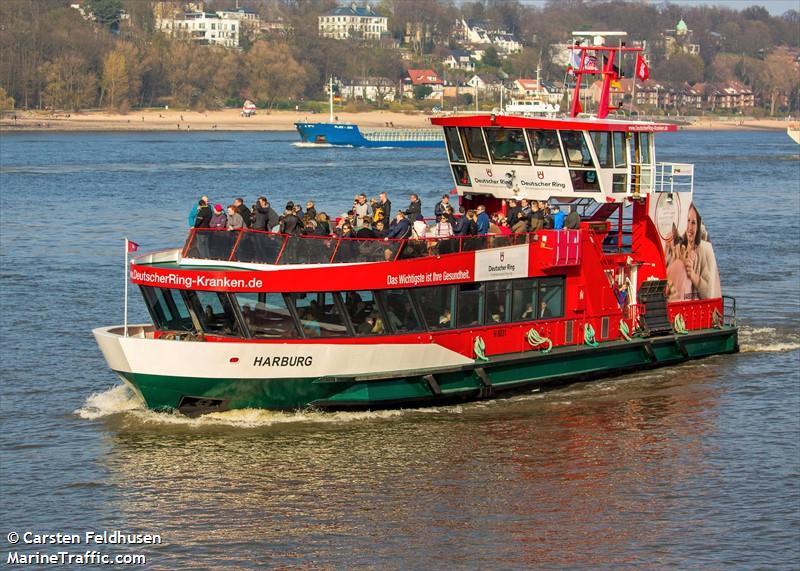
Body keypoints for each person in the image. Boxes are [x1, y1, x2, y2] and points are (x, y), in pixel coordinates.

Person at [684, 203, 721, 299]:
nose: (689, 227)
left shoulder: (705, 250)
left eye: (693, 223)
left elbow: (709, 294)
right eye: (687, 221)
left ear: (698, 226)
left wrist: (692, 275)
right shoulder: (678, 249)